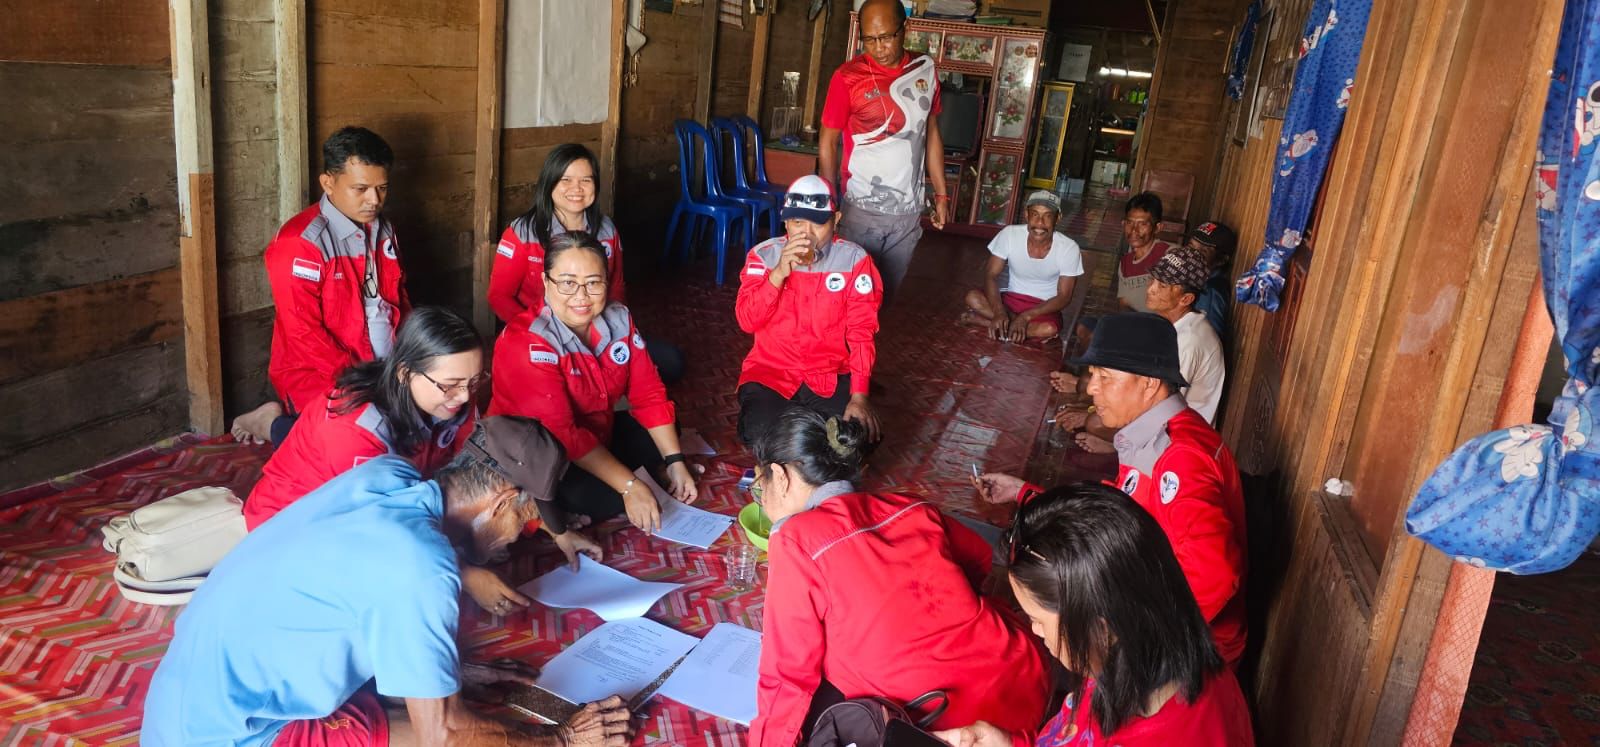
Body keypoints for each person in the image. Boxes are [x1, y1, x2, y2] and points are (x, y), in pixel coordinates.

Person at [142, 418, 634, 747]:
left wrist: (447, 672)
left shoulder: (387, 476)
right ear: (501, 501)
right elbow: (444, 735)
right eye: (524, 519)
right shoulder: (423, 567)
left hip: (189, 700)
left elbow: (357, 590)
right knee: (417, 731)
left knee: (405, 706)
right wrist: (563, 740)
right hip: (230, 735)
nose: (515, 539)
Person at [747, 408, 1051, 747]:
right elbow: (979, 557)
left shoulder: (796, 539)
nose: (761, 499)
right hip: (1022, 678)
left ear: (780, 475)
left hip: (955, 727)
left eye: (760, 488)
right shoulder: (909, 505)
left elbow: (787, 676)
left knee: (822, 704)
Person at [979, 313, 1248, 667]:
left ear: (1149, 384)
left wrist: (1130, 643)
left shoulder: (1181, 458)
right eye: (1094, 375)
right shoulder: (1151, 436)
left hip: (1192, 653)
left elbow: (1214, 573)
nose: (1091, 387)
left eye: (1105, 377)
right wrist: (1023, 493)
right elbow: (1111, 521)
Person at [933, 484, 1255, 747]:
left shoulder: (1174, 732)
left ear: (1104, 627)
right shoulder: (1134, 658)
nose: (1033, 629)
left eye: (1038, 618)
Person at [489, 231, 699, 532]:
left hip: (598, 433)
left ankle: (645, 474)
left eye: (593, 282)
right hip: (544, 458)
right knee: (595, 497)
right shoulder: (528, 341)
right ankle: (566, 505)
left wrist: (676, 460)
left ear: (607, 282)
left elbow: (649, 393)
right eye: (568, 283)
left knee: (667, 431)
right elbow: (563, 435)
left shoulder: (618, 319)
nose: (581, 296)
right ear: (546, 283)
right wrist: (630, 486)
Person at [231, 127, 409, 445]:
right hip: (323, 374)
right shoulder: (300, 244)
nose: (375, 200)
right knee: (358, 442)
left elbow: (398, 300)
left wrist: (411, 356)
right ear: (328, 183)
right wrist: (362, 381)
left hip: (385, 367)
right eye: (361, 188)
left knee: (433, 415)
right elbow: (303, 334)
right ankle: (270, 422)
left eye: (382, 188)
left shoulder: (383, 230)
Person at [486, 143, 684, 383]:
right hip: (542, 331)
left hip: (595, 329)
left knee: (672, 363)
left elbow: (617, 286)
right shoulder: (523, 233)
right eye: (565, 180)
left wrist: (615, 329)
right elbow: (499, 296)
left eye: (586, 180)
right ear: (549, 183)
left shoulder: (606, 229)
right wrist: (539, 331)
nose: (576, 189)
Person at [736, 175, 883, 447]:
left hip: (827, 375)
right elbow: (747, 320)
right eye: (796, 222)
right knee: (760, 434)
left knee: (850, 441)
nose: (806, 233)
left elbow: (862, 332)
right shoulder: (763, 256)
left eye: (818, 222)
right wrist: (778, 274)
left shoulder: (855, 261)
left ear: (836, 219)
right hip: (771, 372)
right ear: (785, 222)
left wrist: (860, 394)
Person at [819, 0, 950, 304]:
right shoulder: (847, 77)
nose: (878, 48)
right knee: (848, 298)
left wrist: (941, 195)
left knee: (884, 298)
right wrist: (829, 202)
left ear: (906, 29)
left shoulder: (925, 70)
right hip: (861, 209)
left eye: (887, 37)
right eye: (869, 39)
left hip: (907, 213)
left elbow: (930, 133)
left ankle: (862, 352)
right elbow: (827, 141)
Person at [963, 190, 1083, 341]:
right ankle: (1010, 324)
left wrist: (1026, 317)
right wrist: (1000, 311)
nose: (1040, 223)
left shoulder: (1069, 248)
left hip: (1043, 307)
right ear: (1026, 215)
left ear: (1057, 218)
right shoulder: (1009, 234)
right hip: (1010, 301)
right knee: (972, 297)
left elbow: (1064, 297)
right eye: (1035, 214)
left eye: (1048, 216)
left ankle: (987, 322)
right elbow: (991, 275)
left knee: (1049, 329)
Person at [1144, 246, 1226, 423]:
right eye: (1152, 280)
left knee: (1096, 422)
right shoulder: (1175, 325)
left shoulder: (1188, 340)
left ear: (1186, 299)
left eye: (1162, 285)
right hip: (1163, 420)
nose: (1151, 289)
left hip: (1179, 436)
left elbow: (1161, 405)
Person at [1114, 191, 1175, 313]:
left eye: (1143, 224)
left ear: (1158, 228)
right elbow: (1123, 303)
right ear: (1123, 224)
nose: (1134, 230)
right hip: (1134, 322)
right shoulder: (1125, 262)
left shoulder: (1170, 255)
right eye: (1129, 223)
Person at [1185, 221, 1238, 340]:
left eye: (1203, 252)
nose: (1192, 255)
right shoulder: (1196, 280)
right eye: (1191, 246)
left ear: (1221, 260)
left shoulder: (1209, 292)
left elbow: (1206, 340)